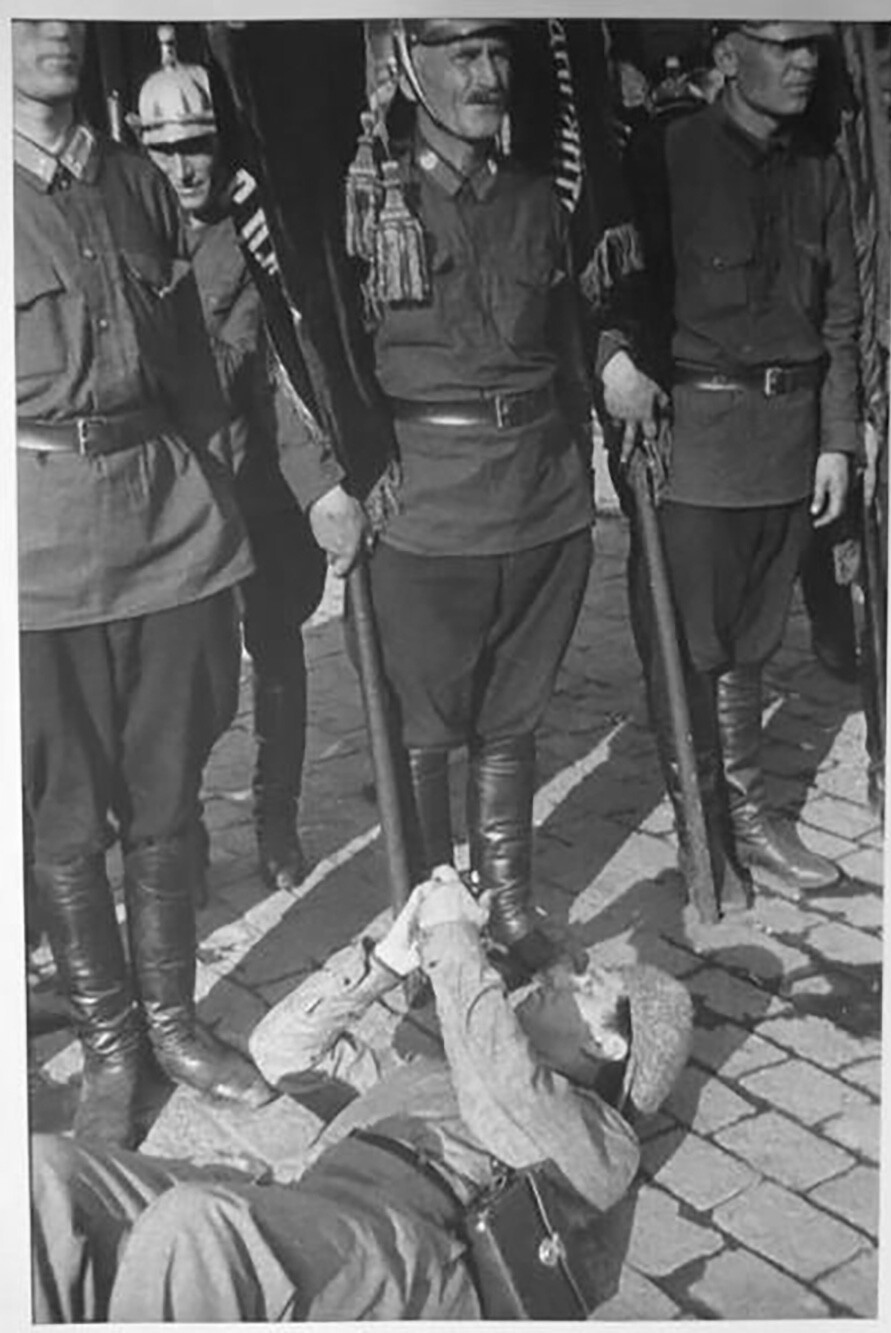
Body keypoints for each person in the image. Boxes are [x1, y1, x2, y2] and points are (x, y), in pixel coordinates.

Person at [31, 865, 694, 1322]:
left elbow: (510, 1098)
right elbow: (283, 1051)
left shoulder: (601, 1139)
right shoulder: (437, 1069)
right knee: (44, 1175)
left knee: (193, 1227)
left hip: (409, 1256)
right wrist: (390, 956)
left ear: (610, 1046)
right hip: (299, 1209)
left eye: (590, 983)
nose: (561, 971)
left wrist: (454, 940)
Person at [352, 18, 666, 973]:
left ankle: (511, 901)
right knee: (425, 728)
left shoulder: (540, 196)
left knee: (512, 717)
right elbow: (318, 350)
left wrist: (613, 358)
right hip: (429, 509)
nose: (486, 76)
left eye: (496, 55)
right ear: (411, 66)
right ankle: (431, 920)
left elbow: (576, 317)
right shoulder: (370, 202)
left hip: (540, 498)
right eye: (461, 55)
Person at [15, 18, 277, 1151]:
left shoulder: (135, 179)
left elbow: (193, 363)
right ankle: (114, 1047)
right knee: (64, 809)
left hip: (167, 519)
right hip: (36, 541)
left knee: (169, 786)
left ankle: (173, 1020)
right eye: (28, 13)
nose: (57, 30)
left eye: (73, 9)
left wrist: (218, 491)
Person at [626, 20, 861, 899]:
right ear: (727, 53)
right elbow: (626, 286)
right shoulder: (667, 157)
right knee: (689, 642)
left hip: (789, 436)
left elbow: (838, 317)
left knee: (755, 642)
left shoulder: (819, 168)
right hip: (699, 437)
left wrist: (836, 438)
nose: (805, 62)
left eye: (815, 47)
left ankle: (751, 818)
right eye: (784, 43)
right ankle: (704, 830)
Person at [133, 26, 366, 895]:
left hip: (258, 493)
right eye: (166, 152)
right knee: (191, 688)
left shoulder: (254, 239)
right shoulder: (132, 248)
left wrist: (320, 490)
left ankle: (277, 820)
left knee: (278, 658)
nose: (186, 169)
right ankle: (182, 832)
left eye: (197, 147)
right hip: (173, 510)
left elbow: (281, 374)